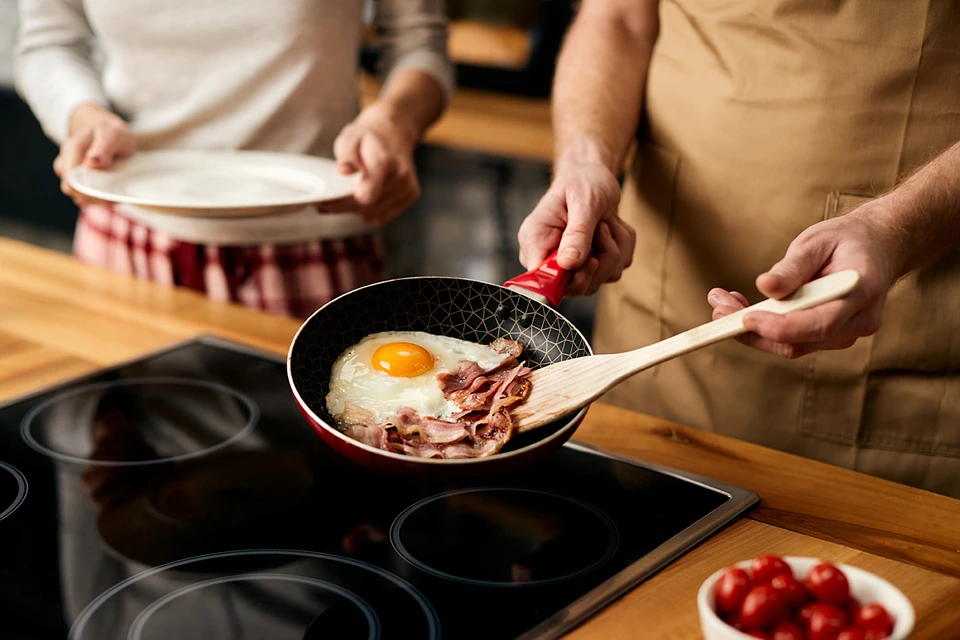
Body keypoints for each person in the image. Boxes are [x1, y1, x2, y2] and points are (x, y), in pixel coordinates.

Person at [517, 0, 960, 498]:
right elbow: (616, 16)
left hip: (901, 368)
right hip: (659, 334)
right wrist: (585, 159)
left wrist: (897, 226)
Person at [14, 0, 453, 318]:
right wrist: (81, 114)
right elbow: (50, 43)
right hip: (123, 235)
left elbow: (420, 43)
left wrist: (397, 119)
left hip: (311, 245)